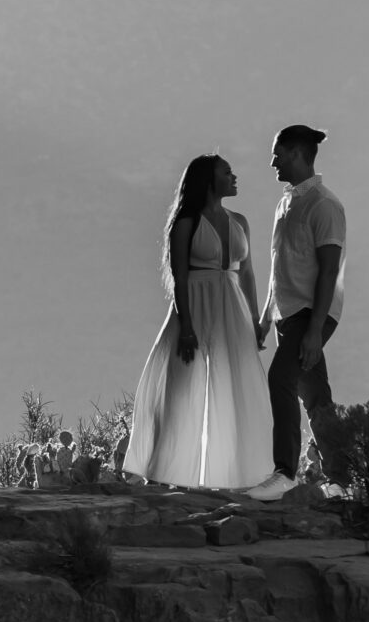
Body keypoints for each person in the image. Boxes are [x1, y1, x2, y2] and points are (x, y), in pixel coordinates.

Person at [121, 154, 275, 490]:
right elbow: (179, 276)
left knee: (236, 383)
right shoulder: (186, 222)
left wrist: (253, 320)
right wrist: (186, 325)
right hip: (194, 305)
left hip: (231, 308)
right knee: (181, 386)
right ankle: (166, 472)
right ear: (208, 180)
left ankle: (238, 475)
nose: (234, 177)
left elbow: (246, 273)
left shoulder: (240, 222)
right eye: (226, 172)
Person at [246, 124, 346, 501]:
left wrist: (315, 330)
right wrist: (265, 317)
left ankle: (284, 474)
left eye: (277, 153)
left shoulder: (324, 204)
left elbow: (330, 269)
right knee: (315, 395)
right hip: (289, 315)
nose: (272, 160)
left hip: (312, 313)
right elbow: (279, 268)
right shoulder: (286, 202)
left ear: (296, 153)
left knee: (280, 381)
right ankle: (342, 478)